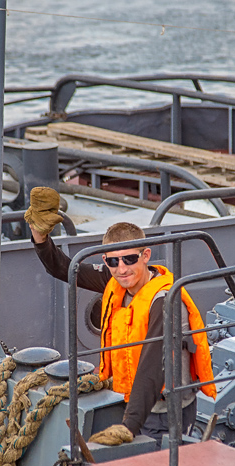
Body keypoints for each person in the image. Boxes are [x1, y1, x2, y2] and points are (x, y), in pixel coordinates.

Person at [25, 186, 216, 441]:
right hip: (131, 403)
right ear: (105, 261)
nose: (121, 269)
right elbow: (63, 268)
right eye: (113, 261)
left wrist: (129, 426)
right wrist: (40, 235)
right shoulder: (114, 280)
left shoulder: (165, 301)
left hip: (166, 412)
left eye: (128, 259)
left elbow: (153, 364)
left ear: (145, 255)